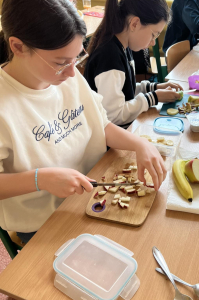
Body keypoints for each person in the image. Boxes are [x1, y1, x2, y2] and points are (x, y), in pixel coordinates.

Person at [0, 0, 167, 243]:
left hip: (97, 193)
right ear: (17, 46)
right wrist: (41, 179)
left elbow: (100, 123)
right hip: (47, 221)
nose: (72, 72)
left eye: (76, 58)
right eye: (60, 62)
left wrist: (139, 144)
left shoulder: (66, 75)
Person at [84, 0, 183, 129]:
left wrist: (154, 87)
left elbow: (124, 89)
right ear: (134, 23)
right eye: (153, 35)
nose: (153, 43)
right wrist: (153, 98)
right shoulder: (109, 57)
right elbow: (113, 116)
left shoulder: (123, 46)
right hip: (107, 144)